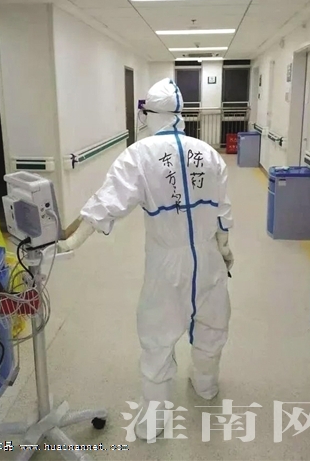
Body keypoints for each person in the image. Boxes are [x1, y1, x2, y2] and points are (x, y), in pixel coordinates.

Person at [59, 78, 234, 440]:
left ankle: (155, 420)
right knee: (212, 324)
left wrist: (73, 240)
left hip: (166, 262)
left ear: (151, 114)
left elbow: (107, 202)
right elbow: (223, 211)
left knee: (157, 335)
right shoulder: (208, 153)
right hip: (209, 258)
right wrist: (225, 248)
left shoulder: (139, 155)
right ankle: (206, 386)